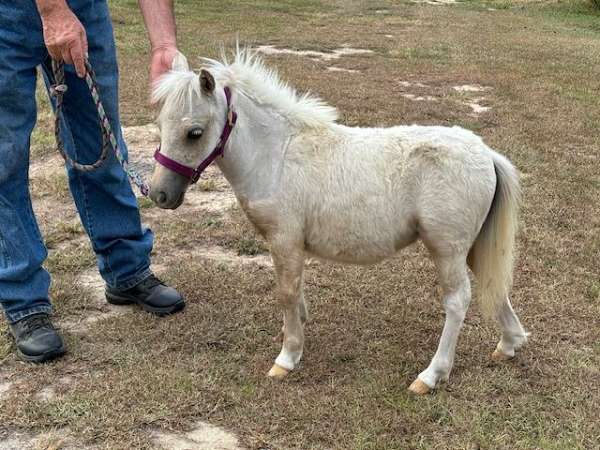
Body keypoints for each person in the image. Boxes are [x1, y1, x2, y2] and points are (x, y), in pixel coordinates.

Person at [0, 0, 183, 363]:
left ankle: (126, 269)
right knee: (5, 159)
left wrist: (164, 44)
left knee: (100, 140)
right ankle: (24, 299)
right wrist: (52, 10)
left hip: (85, 9)